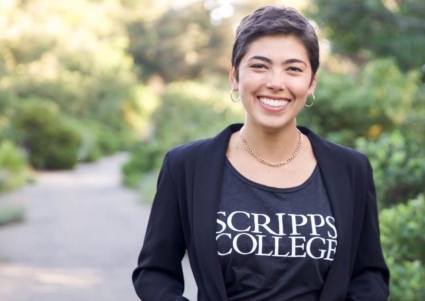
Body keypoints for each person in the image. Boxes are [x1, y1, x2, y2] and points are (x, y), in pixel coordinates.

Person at [132, 5, 389, 300]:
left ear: (311, 82)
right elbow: (155, 273)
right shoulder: (187, 166)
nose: (276, 83)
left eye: (293, 69)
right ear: (234, 77)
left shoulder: (350, 169)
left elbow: (369, 275)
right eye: (259, 66)